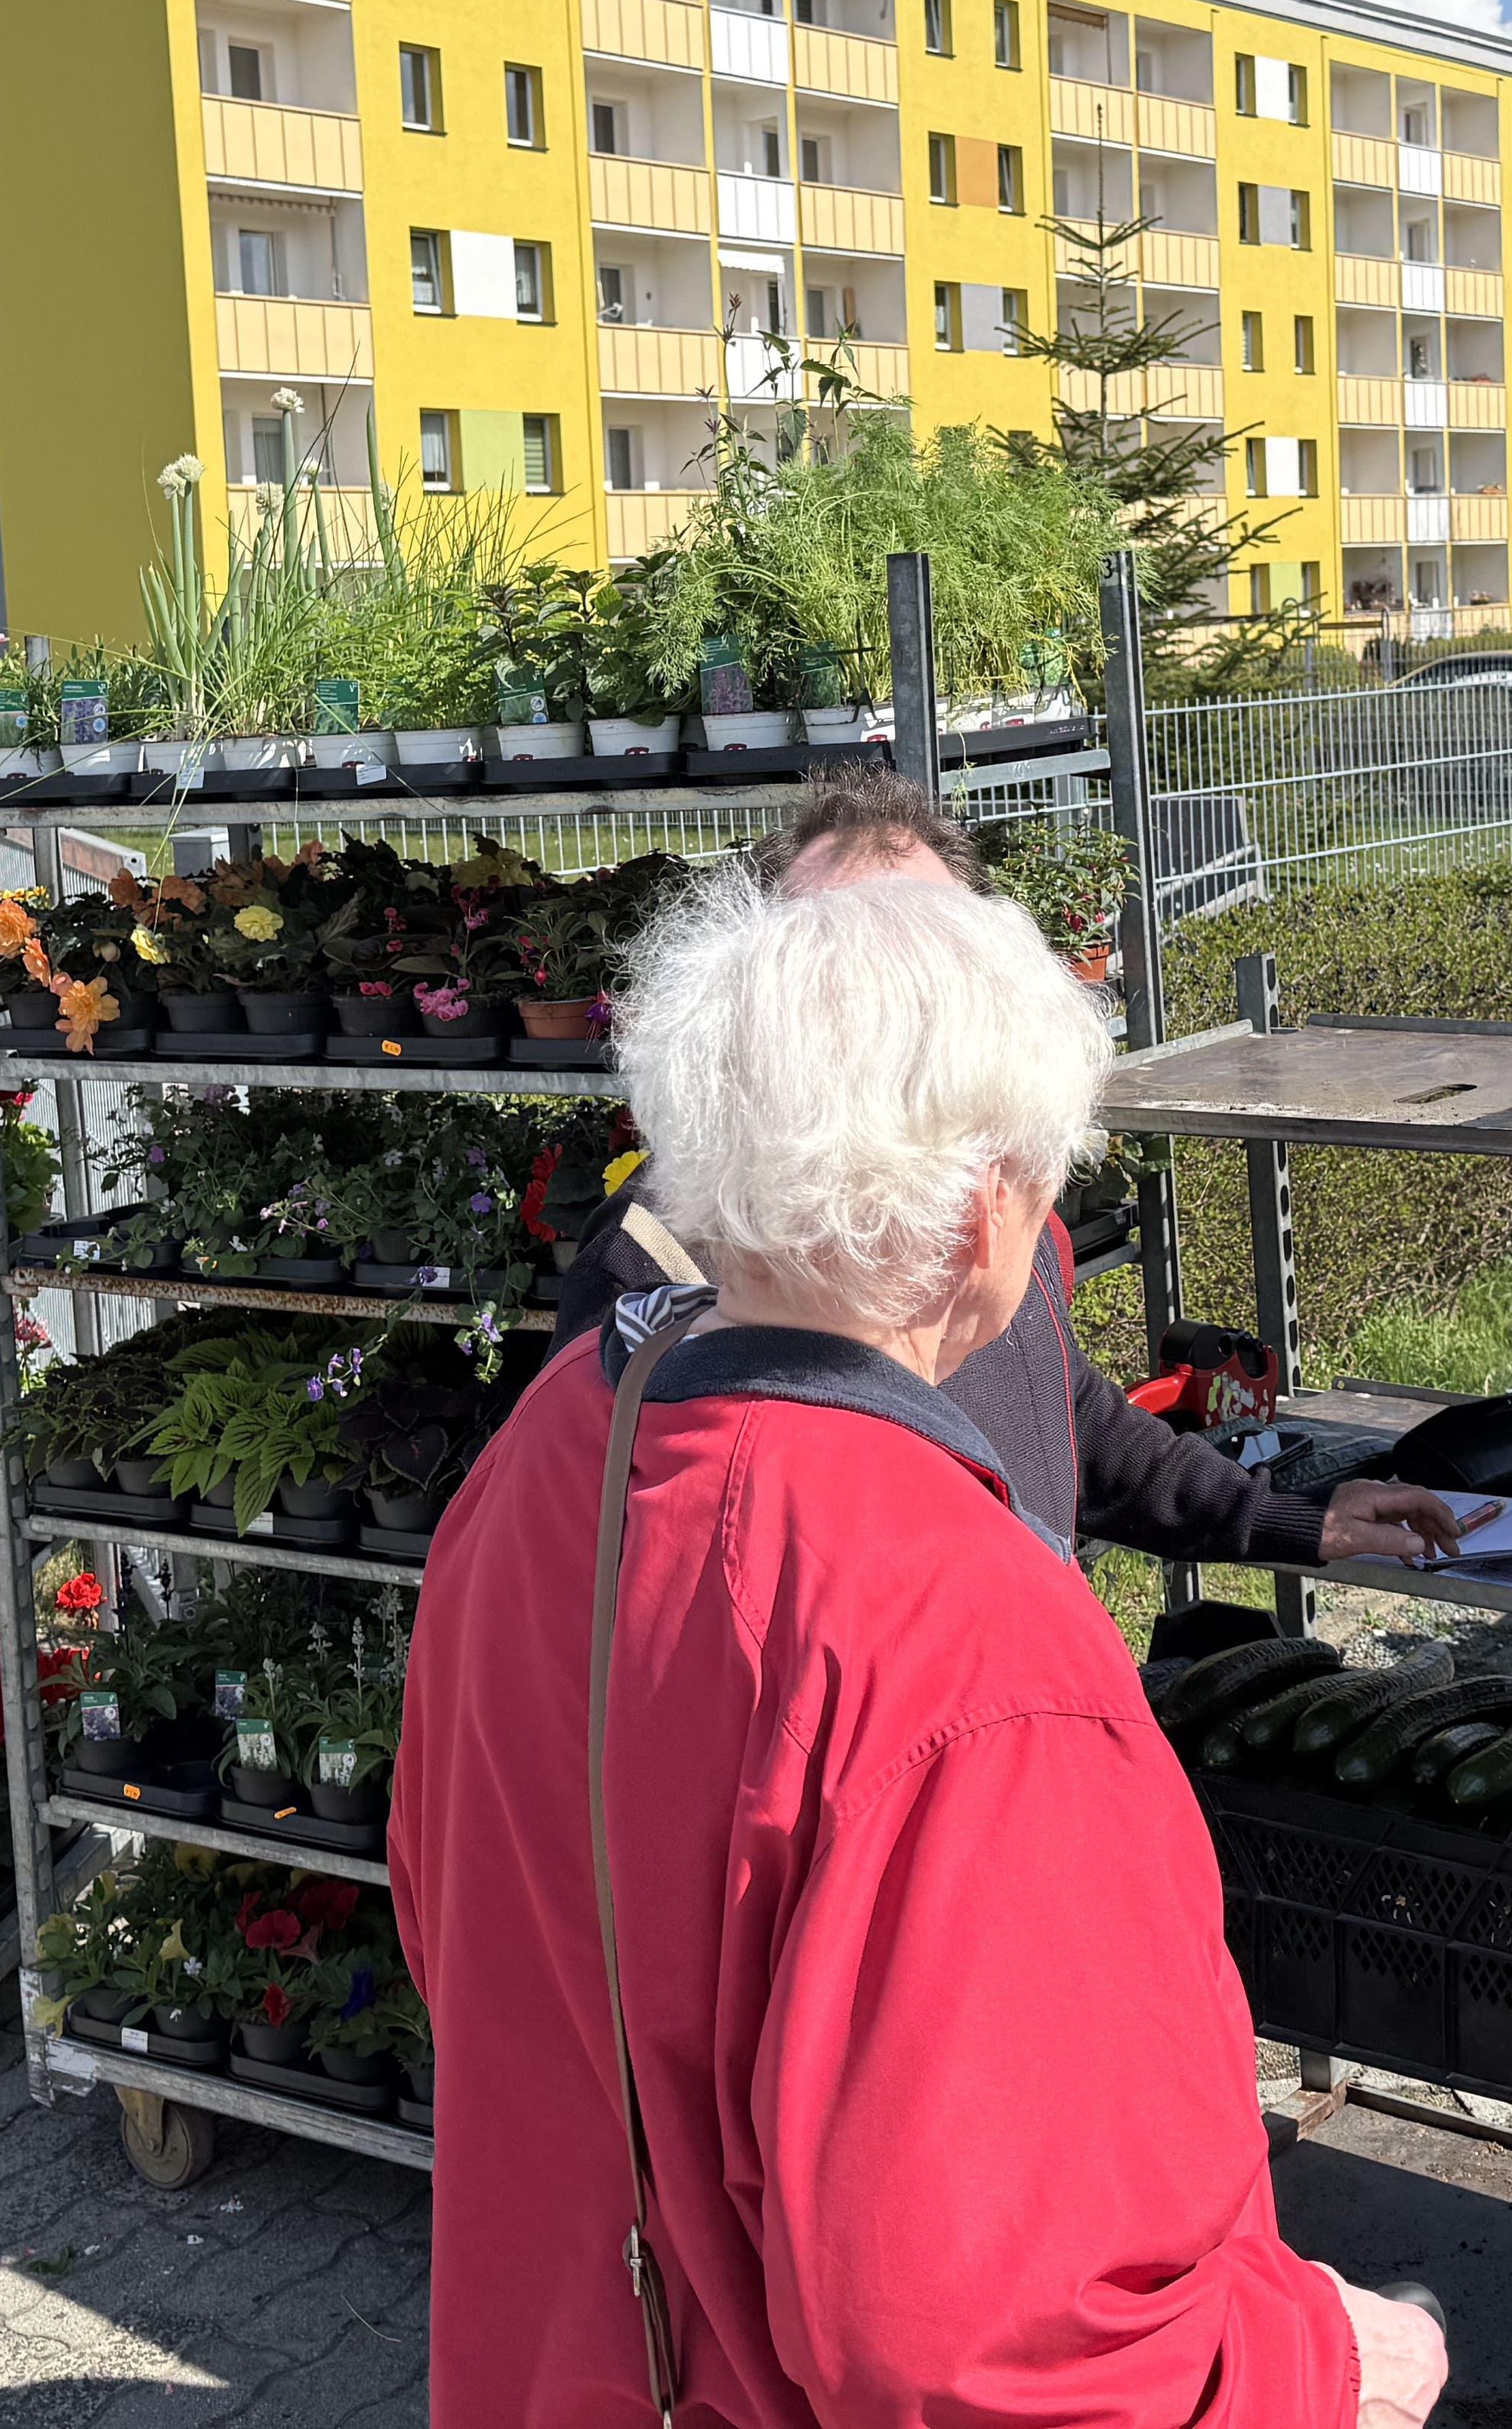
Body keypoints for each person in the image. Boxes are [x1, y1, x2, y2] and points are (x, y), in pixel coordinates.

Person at [395, 855, 1447, 2426]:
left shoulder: (559, 1450)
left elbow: (446, 1904)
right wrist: (1340, 2364)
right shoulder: (968, 1650)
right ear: (981, 1215)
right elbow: (991, 2348)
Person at [544, 771, 1465, 1577]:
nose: (896, 995)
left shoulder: (998, 1193)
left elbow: (1070, 1415)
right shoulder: (661, 1247)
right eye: (837, 957)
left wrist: (1283, 1518)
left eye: (932, 958)